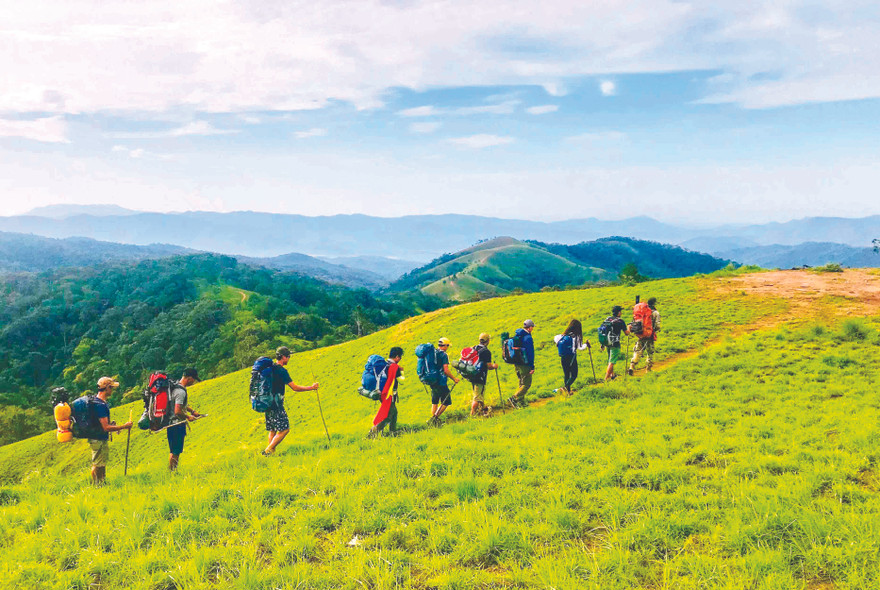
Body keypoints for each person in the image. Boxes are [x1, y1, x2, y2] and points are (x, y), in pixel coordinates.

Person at [263, 346, 319, 456]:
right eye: (288, 356)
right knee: (285, 429)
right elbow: (295, 387)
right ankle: (267, 451)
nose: (289, 358)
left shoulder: (270, 368)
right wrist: (311, 388)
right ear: (283, 357)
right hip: (276, 404)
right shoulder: (282, 371)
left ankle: (271, 454)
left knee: (273, 429)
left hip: (267, 402)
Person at [88, 376, 133, 485]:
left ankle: (101, 483)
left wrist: (112, 424)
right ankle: (98, 485)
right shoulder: (101, 405)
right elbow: (106, 428)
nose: (112, 390)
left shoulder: (96, 401)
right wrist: (124, 426)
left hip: (95, 436)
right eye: (111, 388)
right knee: (98, 464)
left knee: (99, 462)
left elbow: (102, 423)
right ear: (107, 388)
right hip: (98, 438)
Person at [166, 368, 203, 471]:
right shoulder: (181, 391)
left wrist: (192, 411)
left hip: (171, 424)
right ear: (189, 378)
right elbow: (177, 411)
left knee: (173, 450)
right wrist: (188, 417)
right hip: (177, 424)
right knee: (175, 452)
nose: (193, 382)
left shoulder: (175, 387)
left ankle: (172, 471)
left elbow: (179, 404)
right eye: (193, 379)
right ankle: (172, 472)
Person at [368, 347, 404, 438]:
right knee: (388, 415)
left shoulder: (384, 365)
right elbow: (402, 381)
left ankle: (393, 432)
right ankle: (373, 432)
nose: (400, 359)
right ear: (397, 357)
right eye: (400, 357)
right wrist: (402, 371)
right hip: (389, 394)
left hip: (381, 392)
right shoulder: (394, 367)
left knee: (394, 412)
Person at [428, 337, 460, 426]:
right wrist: (454, 378)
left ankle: (433, 421)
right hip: (441, 381)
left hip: (432, 380)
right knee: (446, 401)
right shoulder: (443, 355)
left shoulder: (432, 353)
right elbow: (445, 370)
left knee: (435, 401)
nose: (448, 347)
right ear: (445, 346)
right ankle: (433, 419)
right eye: (448, 346)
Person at [629, 297, 661, 375]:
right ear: (654, 303)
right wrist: (655, 330)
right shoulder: (655, 313)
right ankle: (648, 369)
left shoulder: (642, 311)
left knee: (638, 351)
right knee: (650, 352)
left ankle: (632, 366)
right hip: (649, 335)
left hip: (640, 334)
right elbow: (657, 325)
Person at [508, 319, 536, 409]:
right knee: (526, 383)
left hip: (517, 363)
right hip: (525, 363)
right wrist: (532, 366)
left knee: (521, 381)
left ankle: (522, 401)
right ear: (530, 327)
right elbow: (530, 353)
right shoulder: (528, 338)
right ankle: (514, 398)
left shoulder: (518, 335)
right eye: (533, 327)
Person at [554, 319, 587, 395]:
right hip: (571, 357)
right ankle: (565, 388)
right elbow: (580, 347)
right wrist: (586, 344)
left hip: (563, 357)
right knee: (574, 375)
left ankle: (568, 391)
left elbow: (555, 339)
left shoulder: (562, 335)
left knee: (567, 374)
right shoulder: (575, 337)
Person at [470, 333, 498, 417]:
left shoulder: (474, 348)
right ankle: (472, 414)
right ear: (488, 340)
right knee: (477, 397)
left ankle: (483, 409)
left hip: (471, 374)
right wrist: (494, 366)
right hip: (480, 376)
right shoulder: (486, 351)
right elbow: (489, 366)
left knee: (480, 393)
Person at [602, 306, 630, 381]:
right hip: (615, 343)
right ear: (618, 312)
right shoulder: (620, 321)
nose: (621, 312)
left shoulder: (607, 319)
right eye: (620, 311)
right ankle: (606, 378)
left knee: (610, 359)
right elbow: (627, 333)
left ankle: (612, 375)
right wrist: (629, 327)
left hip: (607, 342)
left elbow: (603, 331)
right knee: (612, 362)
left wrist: (602, 344)